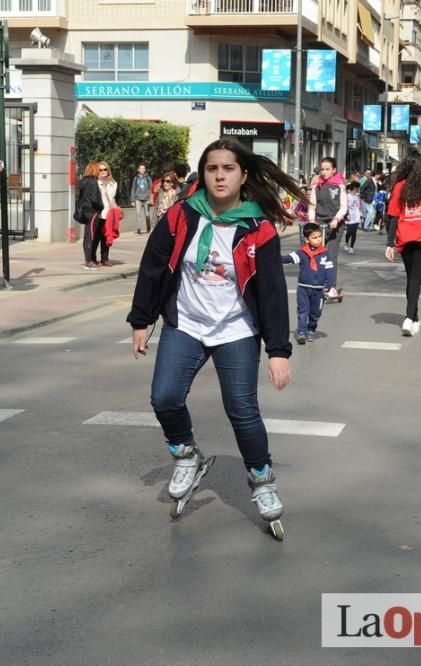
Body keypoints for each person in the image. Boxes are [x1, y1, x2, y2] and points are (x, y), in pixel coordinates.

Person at [127, 137, 301, 538]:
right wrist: (141, 320)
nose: (219, 176)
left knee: (241, 409)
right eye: (211, 169)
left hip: (236, 329)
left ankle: (262, 480)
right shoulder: (182, 215)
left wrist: (278, 351)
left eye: (228, 169)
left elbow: (272, 293)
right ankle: (185, 453)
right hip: (186, 323)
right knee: (164, 397)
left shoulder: (259, 228)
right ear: (202, 174)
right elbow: (153, 266)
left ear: (243, 175)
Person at [384, 153, 421, 336]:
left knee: (412, 278)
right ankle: (411, 317)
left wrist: (390, 242)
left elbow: (393, 217)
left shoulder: (399, 187)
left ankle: (412, 317)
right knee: (415, 279)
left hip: (406, 237)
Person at [283, 222, 335, 344]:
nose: (318, 240)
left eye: (319, 237)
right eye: (314, 238)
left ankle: (311, 328)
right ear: (306, 239)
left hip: (319, 289)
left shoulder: (325, 254)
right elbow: (288, 259)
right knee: (302, 310)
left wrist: (329, 284)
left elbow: (330, 270)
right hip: (303, 288)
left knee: (315, 312)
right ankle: (301, 331)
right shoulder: (302, 253)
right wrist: (273, 257)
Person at [309, 157, 347, 295]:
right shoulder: (316, 184)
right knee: (316, 254)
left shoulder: (339, 185)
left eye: (327, 169)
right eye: (322, 169)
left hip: (335, 223)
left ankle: (331, 286)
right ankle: (317, 282)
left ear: (334, 170)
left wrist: (336, 219)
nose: (324, 172)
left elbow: (344, 206)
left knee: (331, 254)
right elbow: (312, 205)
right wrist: (312, 220)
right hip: (320, 221)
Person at [77, 161, 104, 270]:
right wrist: (100, 206)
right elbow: (94, 199)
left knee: (87, 236)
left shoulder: (83, 181)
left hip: (85, 212)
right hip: (93, 212)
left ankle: (88, 260)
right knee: (91, 236)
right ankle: (88, 262)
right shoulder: (93, 182)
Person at [130, 163, 153, 234]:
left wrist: (150, 198)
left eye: (143, 168)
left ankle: (148, 228)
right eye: (141, 168)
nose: (142, 169)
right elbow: (133, 188)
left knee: (147, 214)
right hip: (138, 198)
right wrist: (132, 200)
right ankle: (139, 229)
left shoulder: (148, 178)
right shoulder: (135, 178)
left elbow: (151, 188)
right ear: (138, 169)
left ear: (145, 169)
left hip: (146, 198)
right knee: (138, 213)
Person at [343, 181, 363, 255]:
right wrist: (346, 214)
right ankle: (346, 242)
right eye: (357, 188)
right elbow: (344, 206)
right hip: (349, 216)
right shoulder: (347, 196)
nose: (358, 190)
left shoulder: (357, 196)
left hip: (356, 216)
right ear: (355, 188)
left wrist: (361, 216)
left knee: (354, 232)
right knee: (349, 232)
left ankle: (351, 247)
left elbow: (359, 207)